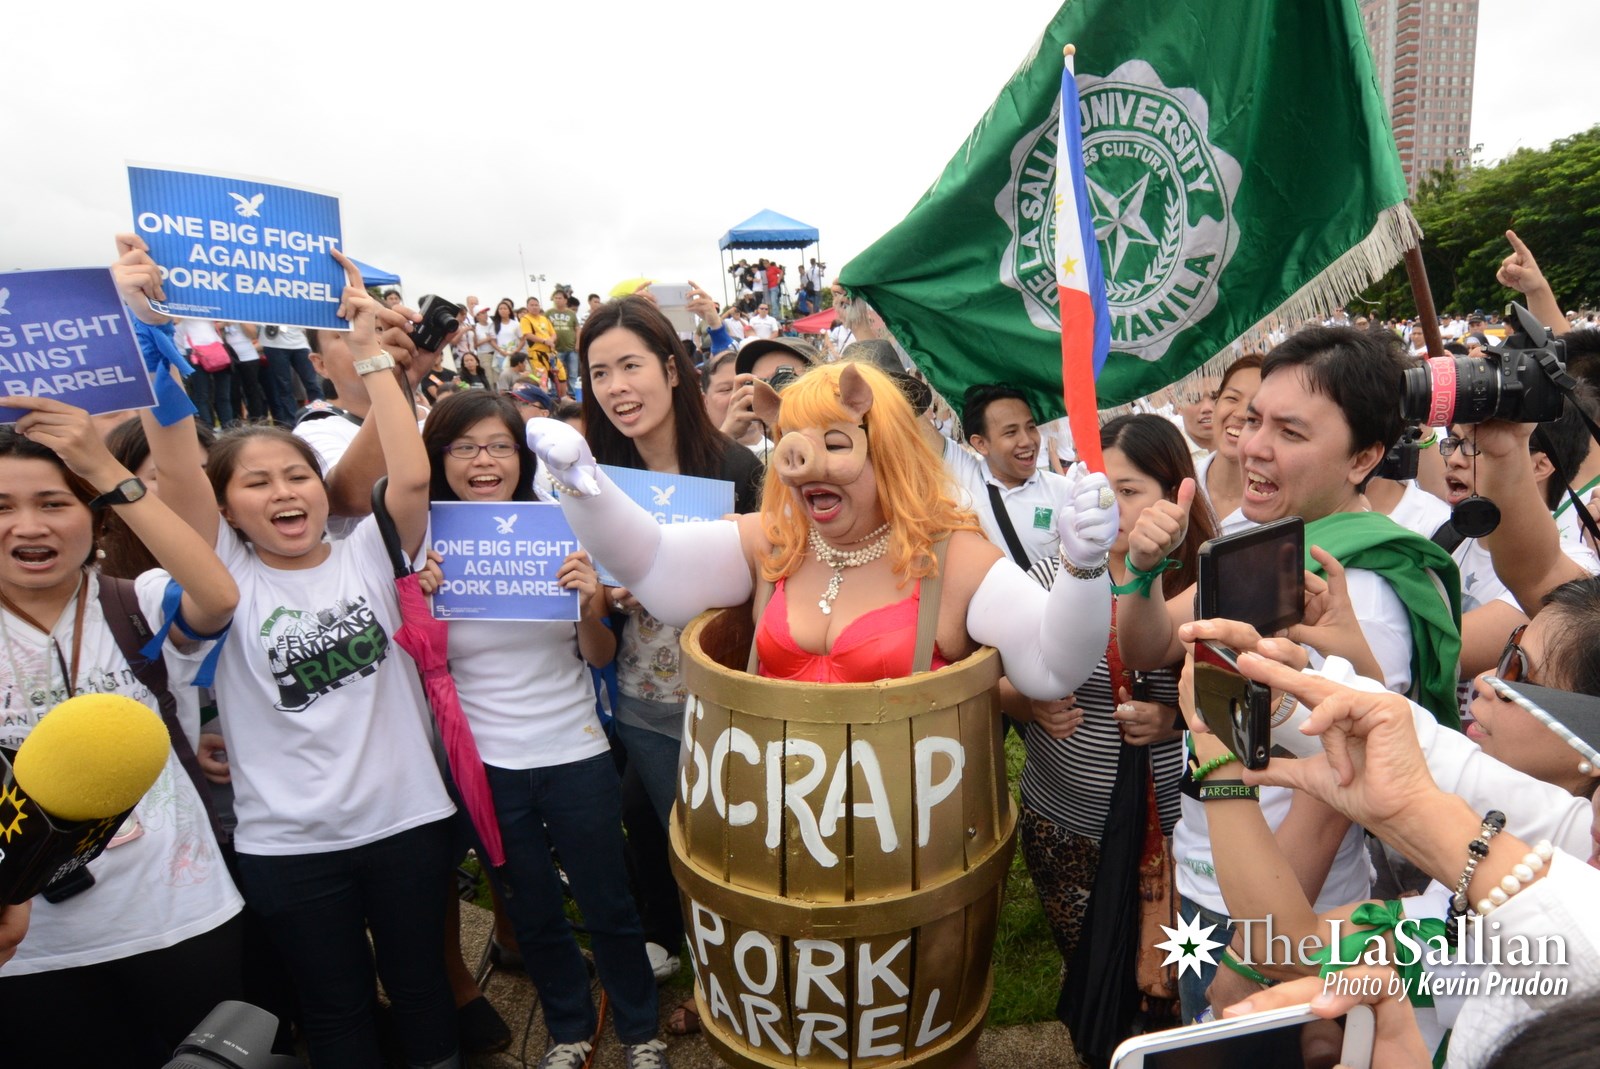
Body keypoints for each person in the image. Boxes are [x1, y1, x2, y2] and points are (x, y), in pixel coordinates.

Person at [527, 358, 1118, 1066]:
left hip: (910, 857)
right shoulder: (776, 543)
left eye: (837, 442)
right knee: (784, 1033)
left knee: (904, 1039)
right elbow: (651, 562)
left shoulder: (952, 555)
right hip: (768, 849)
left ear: (885, 446)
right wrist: (585, 486)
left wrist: (1084, 570)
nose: (810, 464)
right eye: (795, 444)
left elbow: (1054, 664)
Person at [124, 239, 462, 1069]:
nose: (284, 492)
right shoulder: (222, 569)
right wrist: (141, 329)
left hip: (407, 822)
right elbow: (174, 461)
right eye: (257, 482)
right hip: (289, 846)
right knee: (336, 1010)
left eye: (298, 475)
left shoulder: (368, 550)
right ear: (228, 510)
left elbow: (410, 478)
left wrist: (371, 349)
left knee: (421, 994)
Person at [420, 390, 669, 1069]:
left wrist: (592, 603)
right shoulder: (424, 544)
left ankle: (640, 1030)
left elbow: (599, 656)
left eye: (499, 445)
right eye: (463, 447)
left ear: (521, 455)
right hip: (487, 764)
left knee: (608, 899)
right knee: (532, 907)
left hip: (575, 748)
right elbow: (420, 665)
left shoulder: (559, 525)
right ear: (440, 458)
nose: (483, 461)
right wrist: (420, 600)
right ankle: (567, 1029)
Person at [0, 371, 243, 1064]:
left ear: (97, 514)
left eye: (54, 501)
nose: (30, 524)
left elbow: (217, 593)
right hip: (29, 946)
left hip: (181, 913)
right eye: (2, 504)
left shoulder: (134, 600)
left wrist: (103, 464)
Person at [576, 296, 765, 1018]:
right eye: (599, 373)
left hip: (733, 701)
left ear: (672, 368)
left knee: (741, 852)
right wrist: (602, 591)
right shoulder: (597, 482)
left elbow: (774, 583)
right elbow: (584, 593)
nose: (617, 387)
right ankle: (707, 977)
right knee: (684, 848)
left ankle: (754, 982)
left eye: (630, 365)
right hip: (645, 702)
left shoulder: (737, 468)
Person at [1015, 415, 1214, 1055]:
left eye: (1129, 491)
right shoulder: (1056, 575)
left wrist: (1177, 720)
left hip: (1184, 828)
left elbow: (1253, 696)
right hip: (1070, 818)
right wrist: (1025, 700)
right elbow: (983, 677)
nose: (1111, 507)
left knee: (1179, 991)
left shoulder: (1205, 576)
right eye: (1099, 488)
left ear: (1176, 490)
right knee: (1094, 974)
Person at [1192, 353, 1261, 527]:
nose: (1240, 414)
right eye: (1232, 398)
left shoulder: (1284, 510)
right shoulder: (1175, 485)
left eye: (1256, 405)